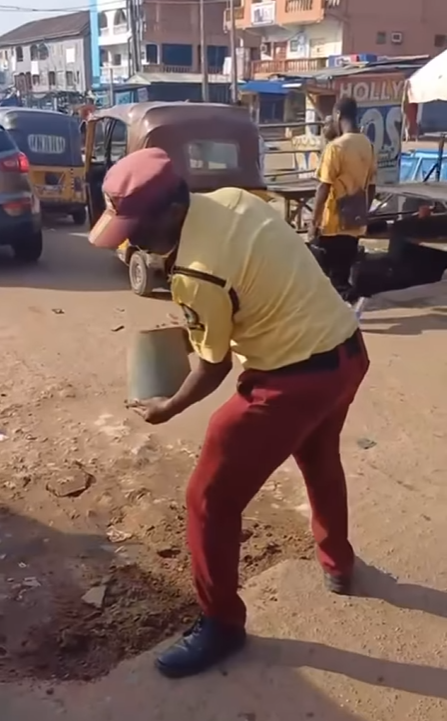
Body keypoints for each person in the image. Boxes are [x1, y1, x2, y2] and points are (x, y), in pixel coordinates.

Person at [89, 147, 370, 680]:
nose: (131, 243)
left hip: (291, 380)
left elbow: (213, 365)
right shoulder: (234, 200)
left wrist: (168, 406)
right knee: (318, 457)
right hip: (347, 352)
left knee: (209, 497)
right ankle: (338, 562)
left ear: (173, 210)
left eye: (137, 231)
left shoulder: (196, 273)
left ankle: (221, 623)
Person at [310, 97, 377, 303]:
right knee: (342, 272)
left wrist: (314, 222)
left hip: (333, 223)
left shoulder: (336, 148)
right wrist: (362, 213)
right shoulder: (368, 145)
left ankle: (354, 301)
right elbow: (372, 186)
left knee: (330, 278)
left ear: (338, 115)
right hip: (354, 223)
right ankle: (349, 302)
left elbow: (324, 187)